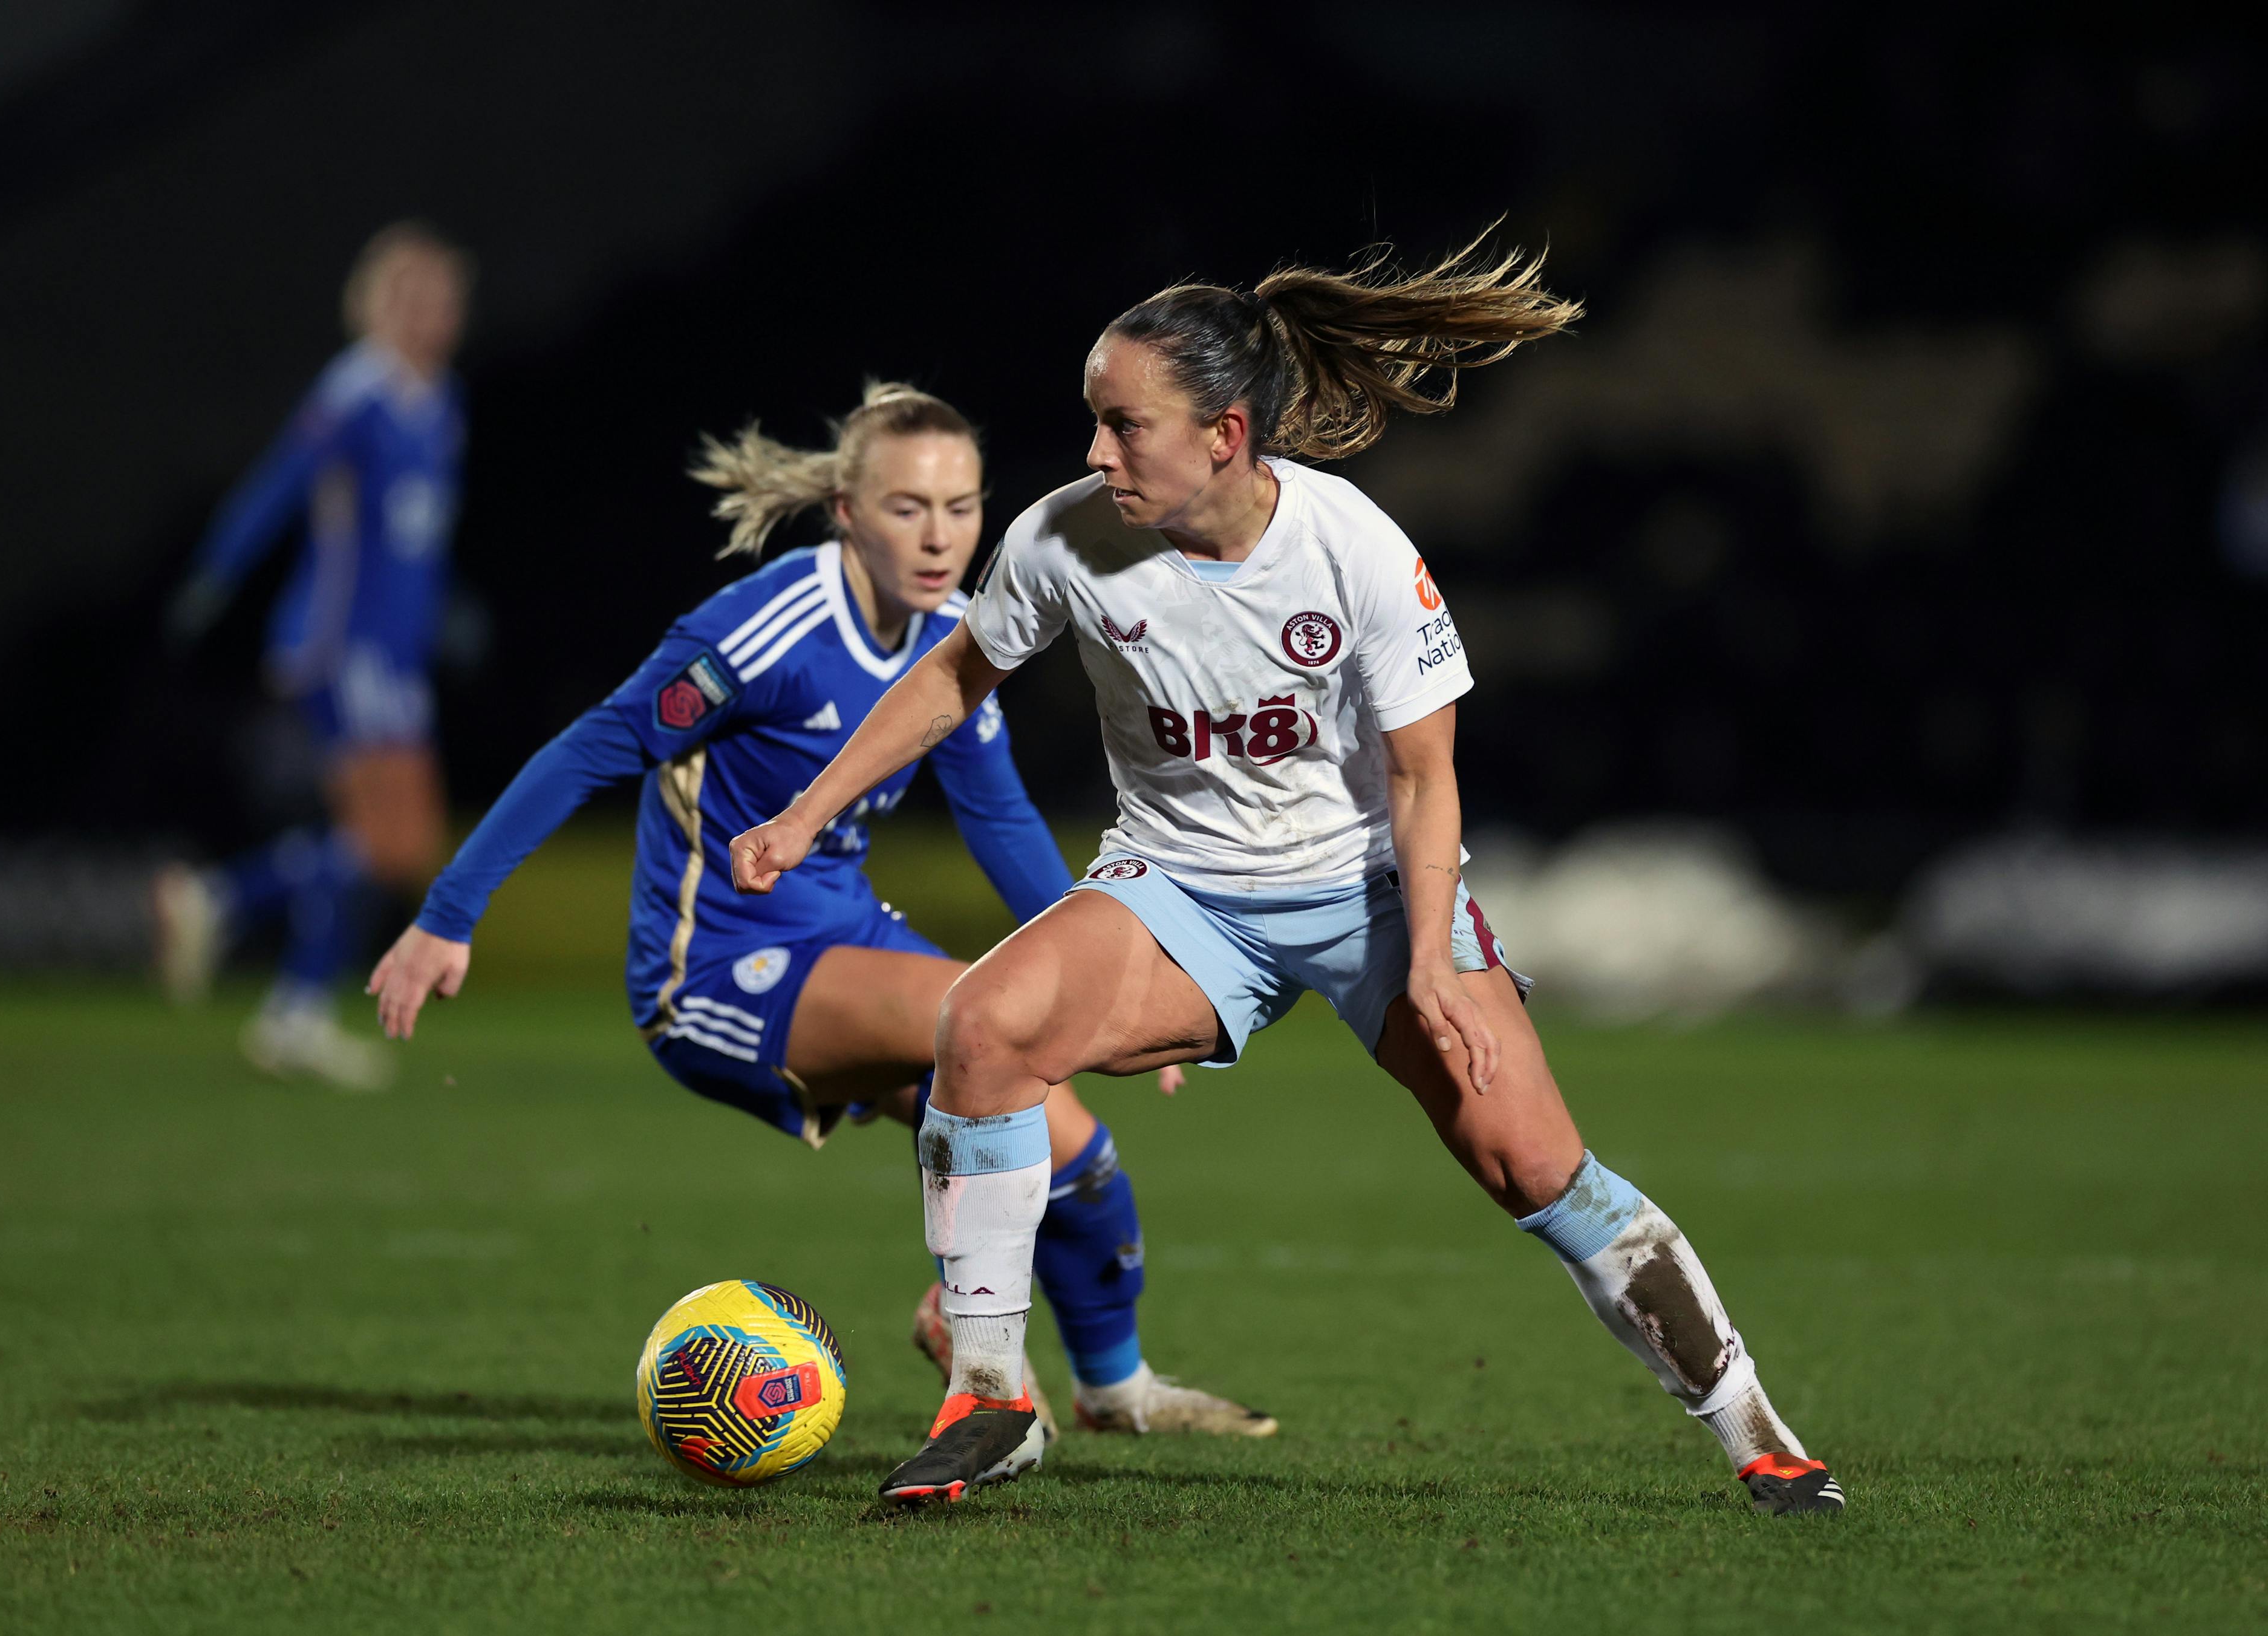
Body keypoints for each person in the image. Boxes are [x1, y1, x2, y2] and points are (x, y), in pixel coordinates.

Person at [731, 234, 1846, 1515]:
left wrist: (1429, 962)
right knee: (982, 1028)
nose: (1096, 453)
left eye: (1123, 425)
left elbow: (1428, 782)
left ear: (1227, 433)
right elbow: (950, 676)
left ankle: (1759, 1433)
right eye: (1093, 421)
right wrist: (808, 810)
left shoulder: (1355, 551)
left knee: (1536, 1168)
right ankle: (991, 1398)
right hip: (1179, 892)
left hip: (1372, 893)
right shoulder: (1065, 541)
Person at [367, 382, 1270, 1440]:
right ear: (846, 511)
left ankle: (1114, 1388)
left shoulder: (952, 634)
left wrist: (1115, 965)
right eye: (907, 508)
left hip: (845, 941)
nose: (942, 538)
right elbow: (591, 748)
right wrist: (447, 913)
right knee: (985, 1024)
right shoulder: (762, 632)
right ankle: (989, 1386)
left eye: (963, 506)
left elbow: (1000, 819)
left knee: (1075, 1148)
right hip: (714, 972)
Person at [154, 222, 472, 1090]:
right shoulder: (358, 394)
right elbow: (282, 482)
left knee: (394, 848)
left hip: (395, 653)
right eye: (416, 298)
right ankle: (269, 971)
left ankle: (235, 924)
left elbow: (413, 539)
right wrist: (217, 569)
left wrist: (445, 609)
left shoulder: (438, 404)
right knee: (387, 842)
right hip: (344, 645)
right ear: (376, 306)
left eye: (445, 299)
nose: (434, 315)